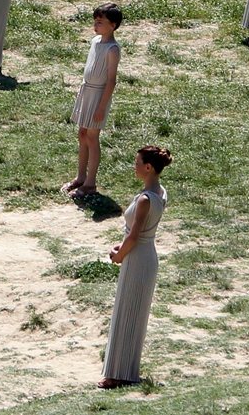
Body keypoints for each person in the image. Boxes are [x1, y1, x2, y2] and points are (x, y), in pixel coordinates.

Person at [99, 146, 173, 389]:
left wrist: (119, 255)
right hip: (146, 255)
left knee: (126, 312)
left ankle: (118, 374)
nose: (135, 166)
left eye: (138, 162)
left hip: (137, 258)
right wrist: (123, 247)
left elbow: (134, 235)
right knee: (135, 314)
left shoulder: (145, 199)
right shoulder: (161, 192)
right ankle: (125, 371)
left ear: (148, 167)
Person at [61, 3, 122, 198]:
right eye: (95, 21)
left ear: (113, 25)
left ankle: (90, 183)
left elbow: (111, 81)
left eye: (100, 22)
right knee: (82, 134)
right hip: (86, 92)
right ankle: (80, 177)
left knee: (92, 137)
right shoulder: (95, 41)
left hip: (98, 96)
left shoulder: (113, 49)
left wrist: (101, 107)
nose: (96, 25)